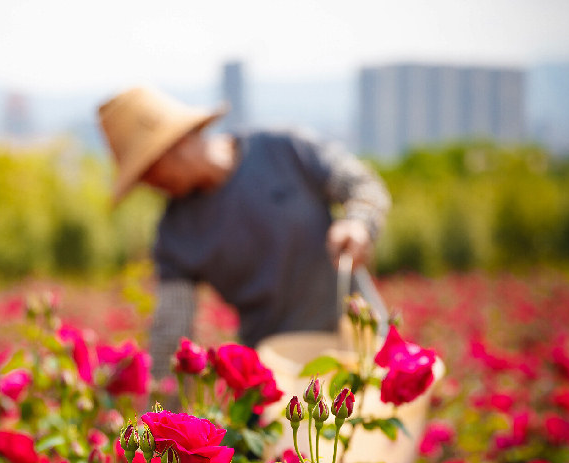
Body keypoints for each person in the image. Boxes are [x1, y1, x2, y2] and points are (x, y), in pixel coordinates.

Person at [97, 86, 391, 382]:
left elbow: (362, 186)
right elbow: (172, 329)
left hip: (362, 345)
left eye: (148, 169)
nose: (149, 184)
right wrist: (159, 411)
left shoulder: (283, 149)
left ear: (177, 142)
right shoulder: (176, 234)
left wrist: (359, 222)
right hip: (278, 372)